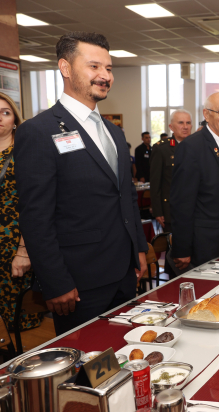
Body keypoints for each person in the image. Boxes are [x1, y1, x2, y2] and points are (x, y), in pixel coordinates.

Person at [15, 32, 148, 335]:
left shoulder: (114, 134)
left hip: (124, 274)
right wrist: (56, 282)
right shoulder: (39, 131)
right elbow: (36, 218)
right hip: (78, 283)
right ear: (65, 68)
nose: (104, 76)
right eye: (94, 67)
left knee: (126, 356)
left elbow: (125, 196)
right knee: (88, 370)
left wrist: (138, 250)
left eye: (109, 68)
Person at [170, 92, 219, 271]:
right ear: (206, 114)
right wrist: (182, 248)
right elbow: (181, 203)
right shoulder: (191, 147)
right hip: (202, 245)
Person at [0, 92, 41, 332]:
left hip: (13, 247)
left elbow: (34, 205)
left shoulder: (24, 153)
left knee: (19, 323)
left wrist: (24, 252)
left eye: (5, 112)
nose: (0, 118)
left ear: (15, 119)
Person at [150, 109, 192, 235]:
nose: (185, 127)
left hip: (194, 209)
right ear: (171, 127)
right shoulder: (161, 149)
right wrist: (158, 212)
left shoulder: (197, 148)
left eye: (188, 123)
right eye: (181, 123)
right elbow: (155, 183)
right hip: (171, 211)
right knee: (174, 250)